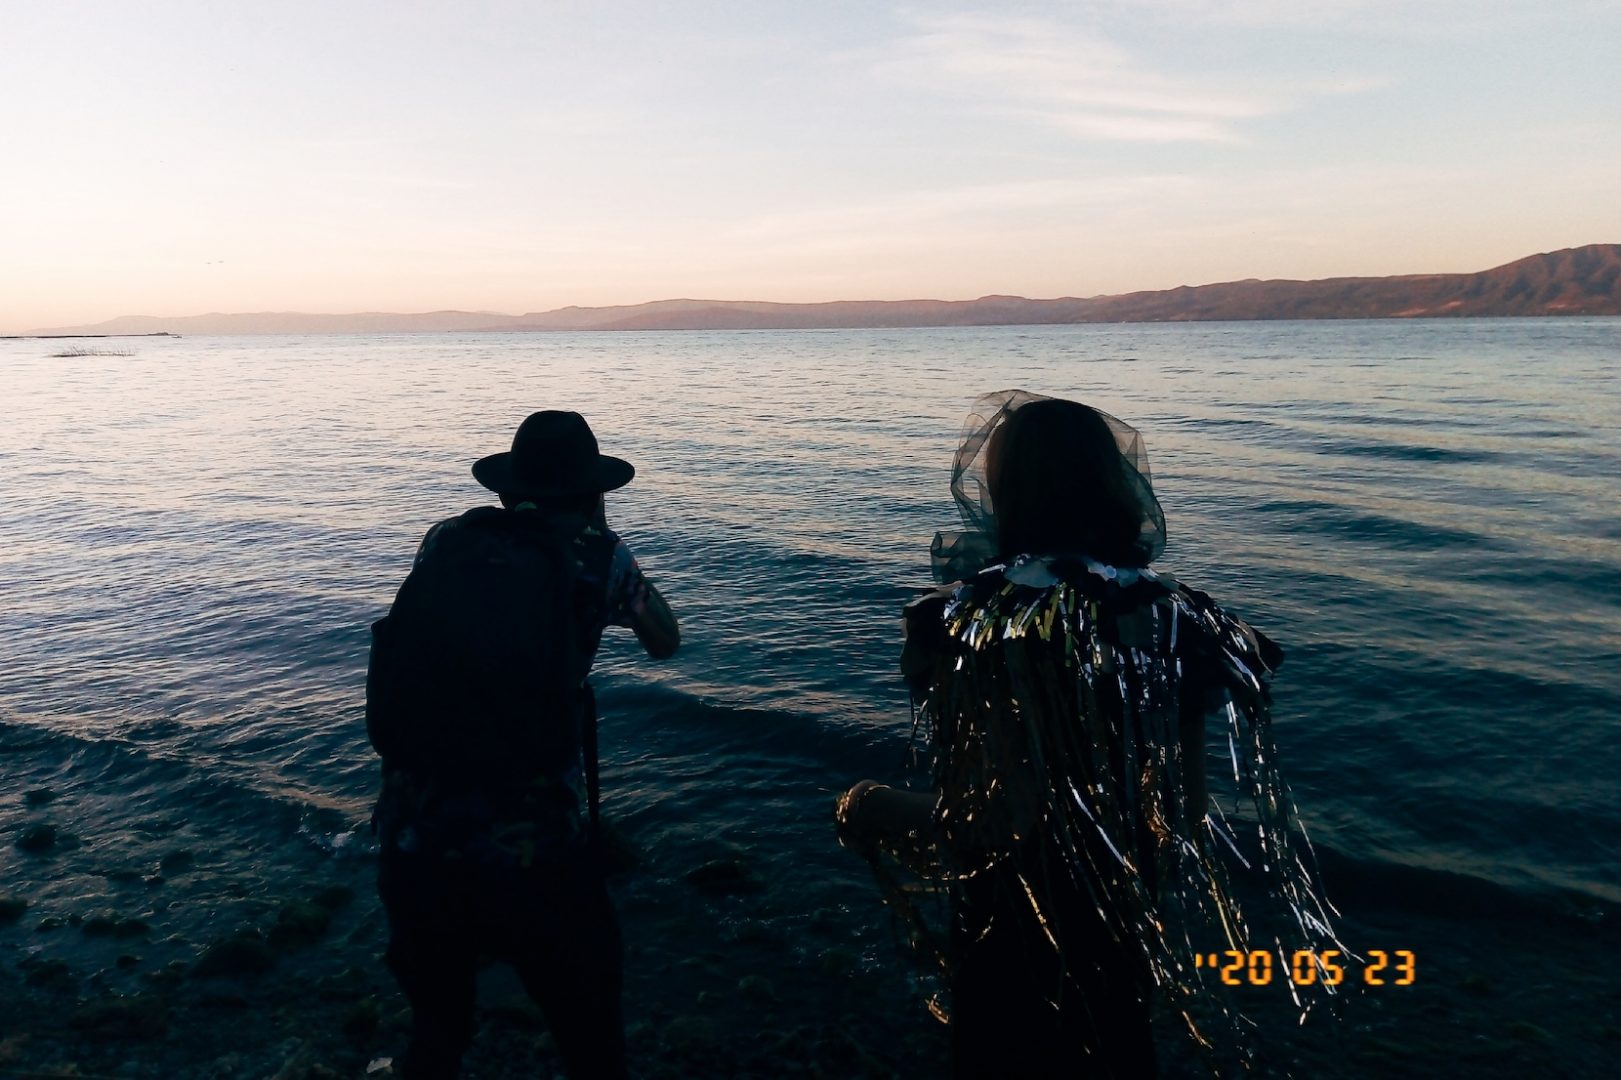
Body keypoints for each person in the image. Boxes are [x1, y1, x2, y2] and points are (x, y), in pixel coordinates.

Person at [837, 391, 1340, 1078]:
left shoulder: (956, 624)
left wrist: (871, 806)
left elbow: (987, 817)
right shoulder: (1176, 621)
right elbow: (1183, 817)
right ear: (1112, 483)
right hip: (1124, 914)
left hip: (1007, 922)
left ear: (1001, 489)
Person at [366, 410, 679, 1080]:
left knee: (437, 1030)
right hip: (534, 845)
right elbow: (665, 640)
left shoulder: (445, 540)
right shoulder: (602, 557)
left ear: (507, 491)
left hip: (415, 833)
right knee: (589, 1033)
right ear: (593, 491)